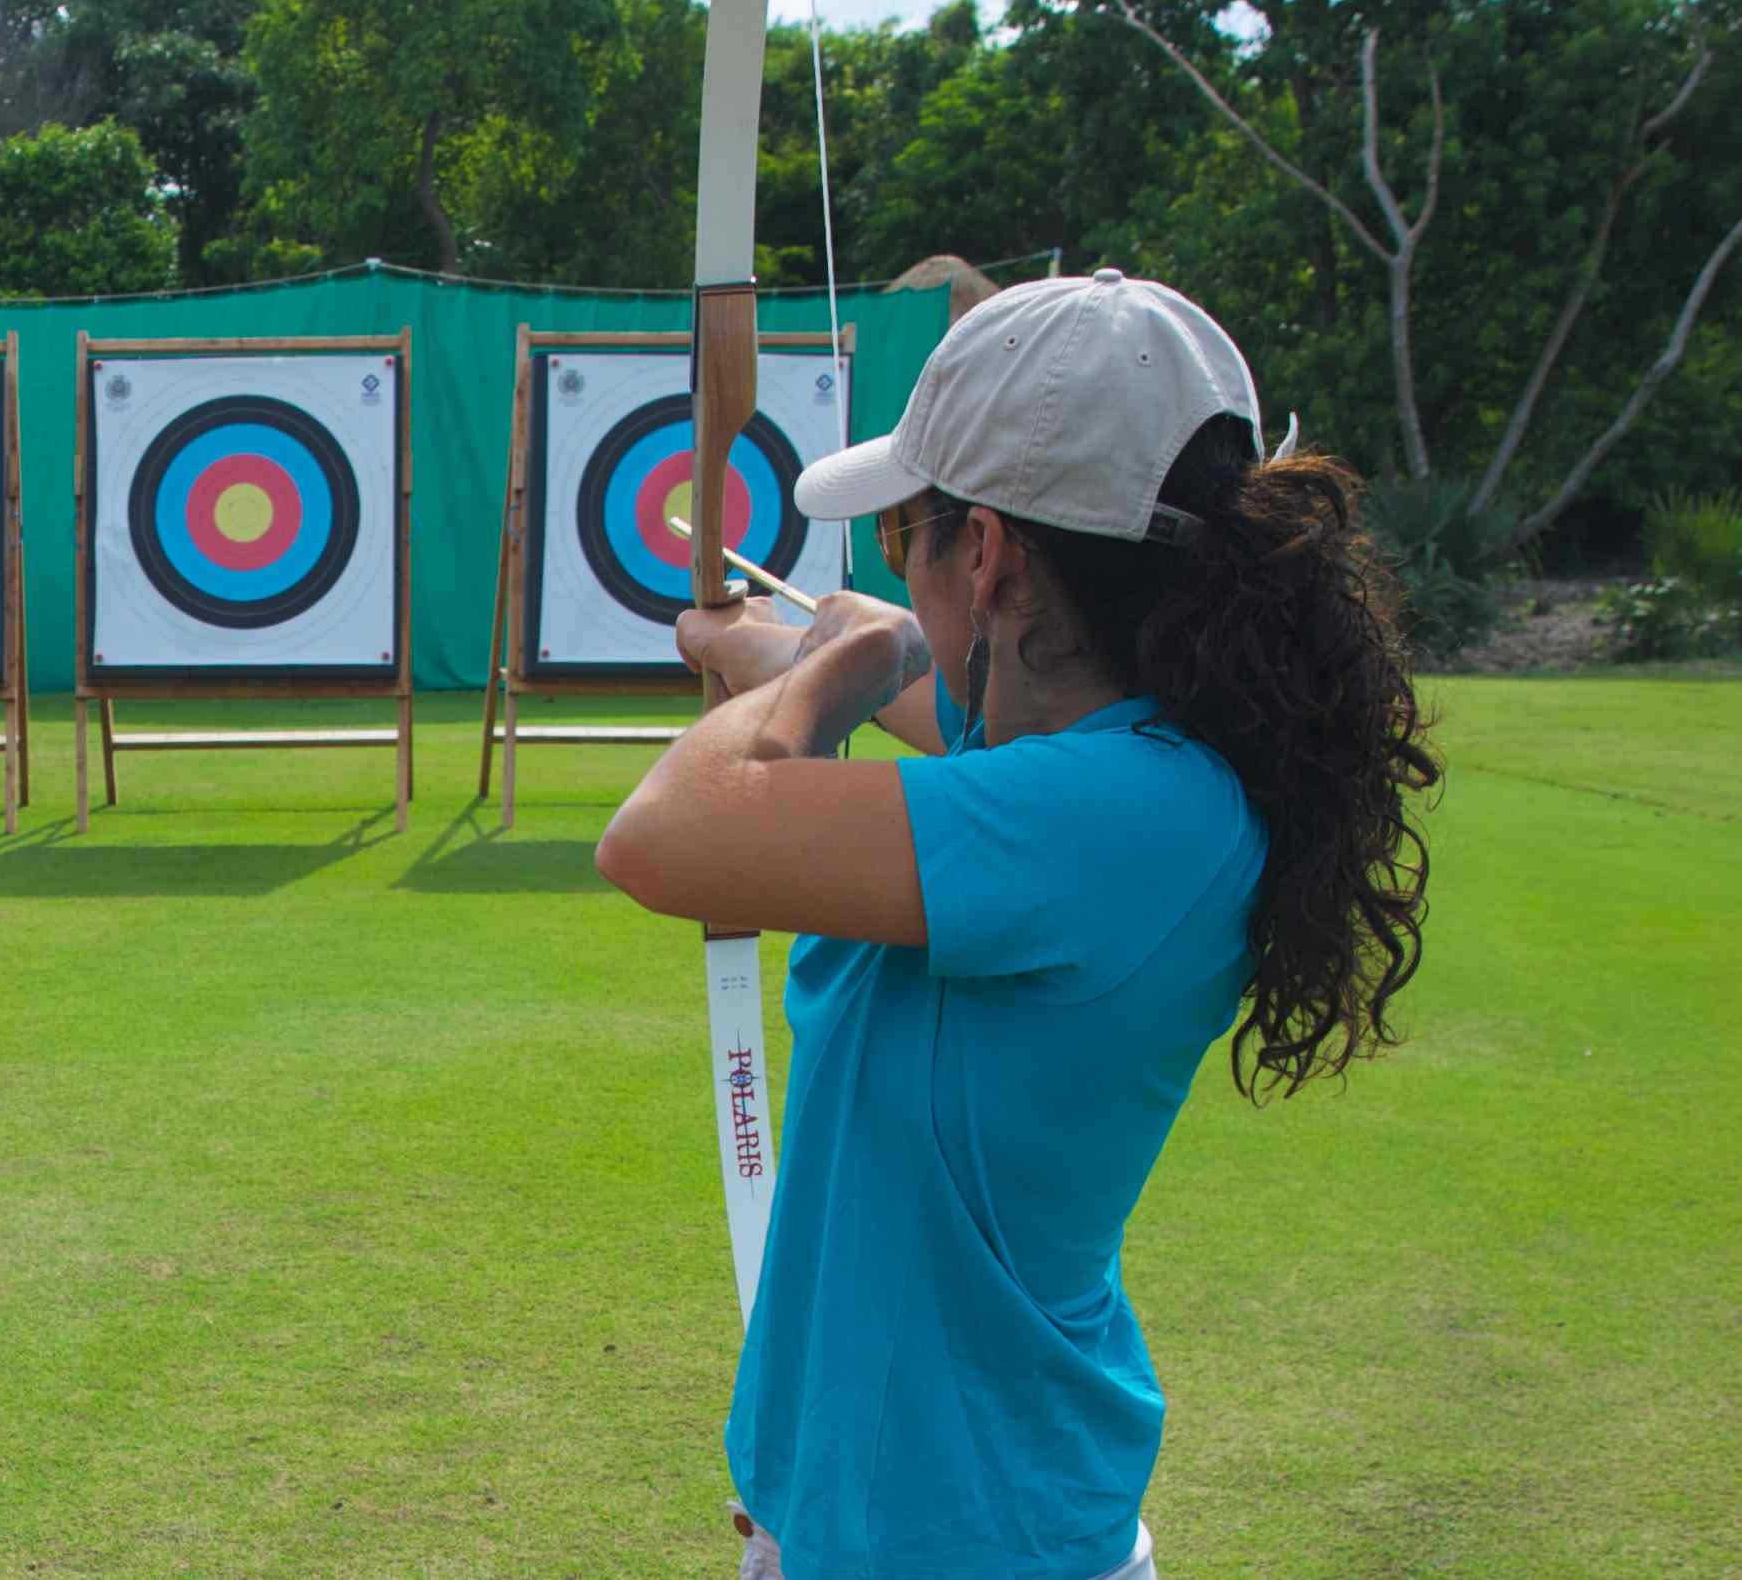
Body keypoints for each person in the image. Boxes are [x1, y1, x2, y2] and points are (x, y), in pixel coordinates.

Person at [596, 271, 1438, 1580]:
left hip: (966, 1537)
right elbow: (927, 709)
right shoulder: (1116, 773)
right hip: (903, 1515)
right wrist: (755, 640)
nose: (902, 586)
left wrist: (841, 659)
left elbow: (662, 834)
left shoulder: (1118, 812)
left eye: (904, 541)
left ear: (983, 555)